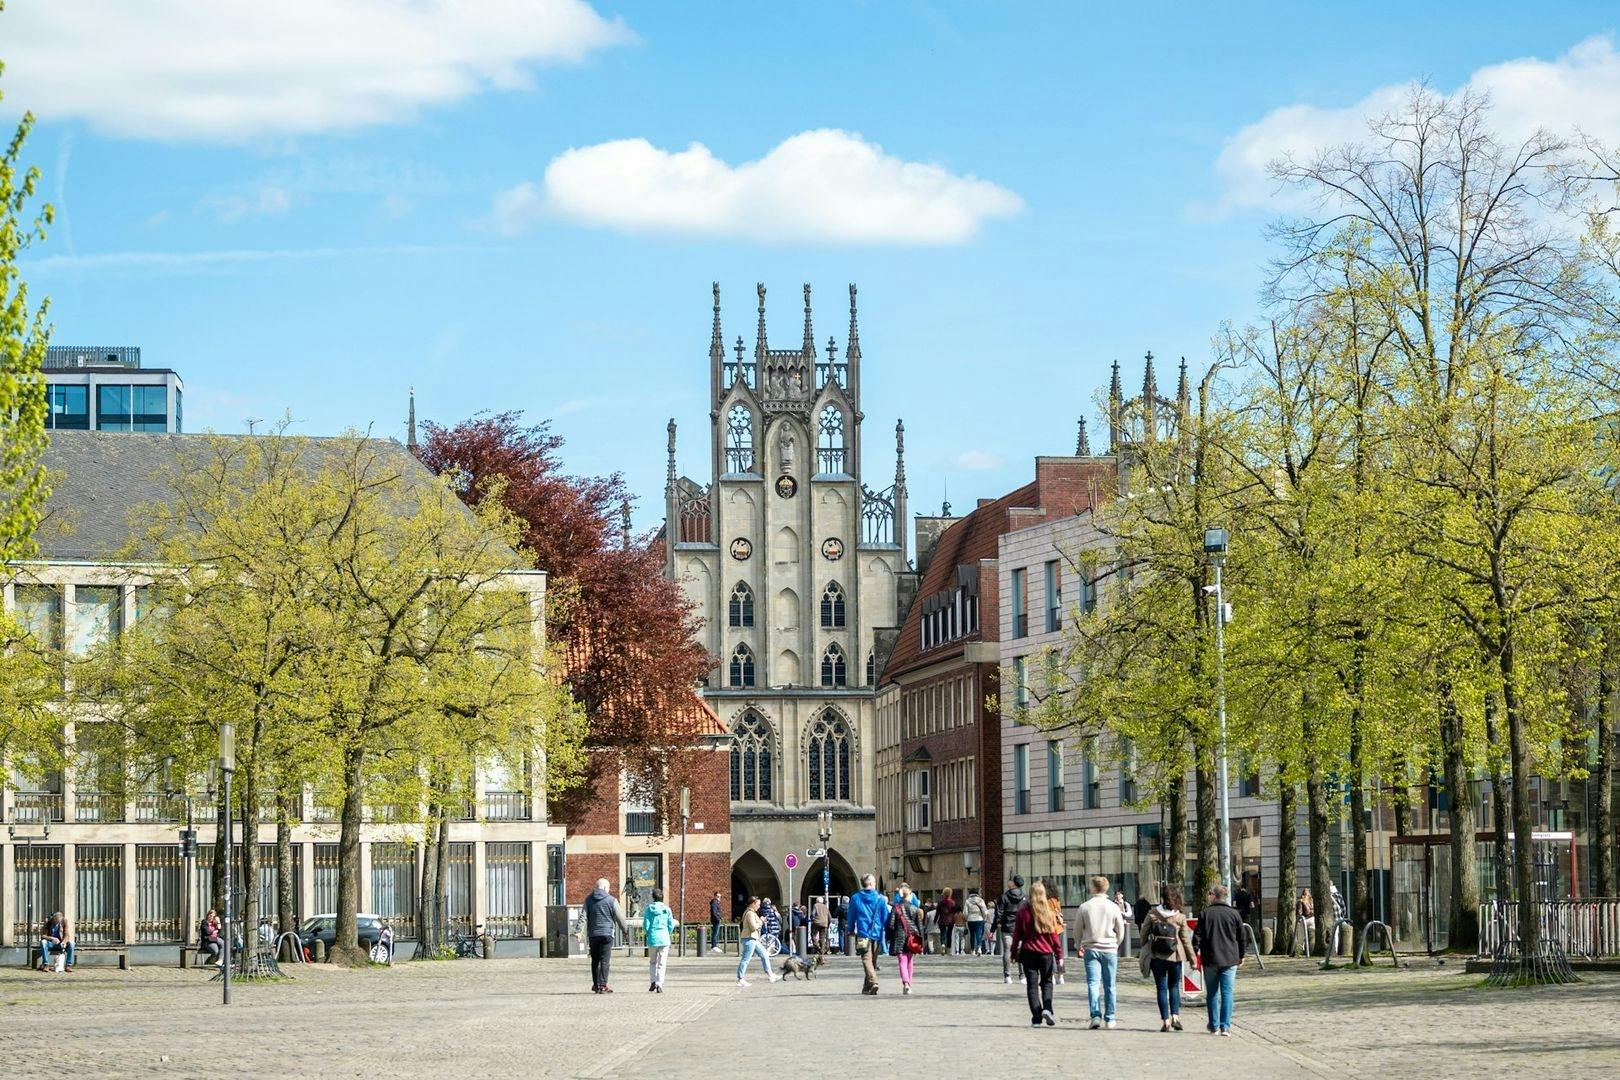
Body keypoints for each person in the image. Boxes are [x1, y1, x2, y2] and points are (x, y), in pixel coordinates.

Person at [1010, 880, 1064, 1027]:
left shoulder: (1023, 911)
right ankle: (1047, 1008)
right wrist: (1059, 955)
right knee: (1047, 983)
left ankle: (1036, 1018)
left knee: (1032, 986)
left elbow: (1017, 935)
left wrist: (1013, 953)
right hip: (1046, 953)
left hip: (1029, 953)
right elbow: (1054, 937)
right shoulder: (1049, 912)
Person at [1195, 884, 1246, 1036]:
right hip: (1230, 959)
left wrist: (1194, 953)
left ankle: (1214, 1025)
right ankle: (1225, 1026)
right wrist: (1241, 955)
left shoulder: (1205, 913)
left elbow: (1197, 936)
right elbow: (1241, 938)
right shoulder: (1234, 914)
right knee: (1227, 993)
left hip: (1210, 958)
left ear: (1214, 896)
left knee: (1212, 993)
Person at [1144, 884, 1195, 1032]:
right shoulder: (1180, 917)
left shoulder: (1153, 914)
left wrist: (1144, 946)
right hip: (1175, 956)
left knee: (1161, 987)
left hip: (1157, 955)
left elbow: (1143, 934)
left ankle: (1165, 1021)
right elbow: (1185, 940)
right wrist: (1193, 959)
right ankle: (1175, 1017)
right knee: (1173, 986)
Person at [1076, 874, 1125, 1029]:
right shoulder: (1113, 907)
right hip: (1110, 948)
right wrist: (1116, 943)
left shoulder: (1085, 906)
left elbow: (1077, 929)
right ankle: (1110, 1018)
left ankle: (1095, 1015)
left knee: (1093, 983)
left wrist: (1078, 945)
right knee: (1110, 985)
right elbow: (1120, 929)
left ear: (1094, 888)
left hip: (1091, 948)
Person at [584, 878, 631, 994]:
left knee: (595, 960)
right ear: (605, 888)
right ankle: (603, 985)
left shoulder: (588, 899)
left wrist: (578, 931)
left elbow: (583, 916)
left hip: (593, 934)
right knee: (605, 960)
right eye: (608, 888)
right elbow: (620, 918)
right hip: (607, 934)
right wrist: (625, 931)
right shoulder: (611, 900)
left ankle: (596, 985)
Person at [847, 874, 888, 994]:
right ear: (870, 883)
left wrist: (850, 929)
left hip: (863, 933)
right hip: (877, 933)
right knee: (872, 961)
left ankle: (873, 981)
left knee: (866, 960)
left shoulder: (856, 898)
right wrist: (886, 929)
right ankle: (867, 986)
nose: (875, 884)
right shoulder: (880, 898)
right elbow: (885, 916)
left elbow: (851, 916)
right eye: (874, 882)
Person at [886, 883, 924, 994]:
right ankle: (909, 984)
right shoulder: (915, 908)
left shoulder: (895, 908)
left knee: (902, 960)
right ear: (910, 895)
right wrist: (921, 942)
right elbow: (919, 925)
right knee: (910, 961)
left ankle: (906, 983)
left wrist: (889, 937)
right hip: (912, 936)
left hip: (899, 936)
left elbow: (891, 924)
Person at [736, 896, 779, 986]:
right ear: (753, 903)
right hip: (750, 938)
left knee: (765, 955)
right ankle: (740, 979)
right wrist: (761, 921)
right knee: (746, 959)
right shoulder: (750, 913)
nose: (759, 906)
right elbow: (753, 927)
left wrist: (760, 921)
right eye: (758, 904)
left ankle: (770, 975)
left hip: (754, 938)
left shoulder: (751, 913)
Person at [642, 888, 677, 993]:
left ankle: (652, 981)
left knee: (653, 962)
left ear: (653, 897)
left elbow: (646, 924)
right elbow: (671, 924)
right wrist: (668, 933)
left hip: (653, 938)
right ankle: (659, 984)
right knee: (662, 963)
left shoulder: (649, 909)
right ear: (662, 897)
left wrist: (647, 933)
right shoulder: (667, 909)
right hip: (664, 938)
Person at [994, 875, 1026, 984]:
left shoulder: (1004, 897)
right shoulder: (1024, 897)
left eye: (1010, 880)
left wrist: (995, 927)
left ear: (1013, 883)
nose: (1009, 882)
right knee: (1021, 951)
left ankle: (1007, 976)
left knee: (1007, 951)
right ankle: (1022, 976)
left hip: (1007, 927)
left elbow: (998, 913)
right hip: (1021, 927)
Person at [965, 889, 989, 954]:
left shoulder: (967, 901)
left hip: (970, 920)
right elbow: (985, 911)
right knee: (979, 934)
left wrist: (966, 918)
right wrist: (985, 918)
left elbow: (965, 912)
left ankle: (972, 950)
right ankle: (979, 948)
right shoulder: (981, 900)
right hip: (979, 919)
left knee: (972, 935)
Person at [935, 888, 958, 955]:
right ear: (950, 894)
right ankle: (948, 948)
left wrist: (935, 920)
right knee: (949, 934)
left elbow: (937, 912)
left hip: (942, 919)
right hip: (950, 920)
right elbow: (955, 912)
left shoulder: (940, 902)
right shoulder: (953, 902)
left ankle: (943, 944)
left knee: (943, 933)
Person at [1114, 890, 1133, 958]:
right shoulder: (1112, 903)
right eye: (1116, 894)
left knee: (1123, 938)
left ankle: (1124, 954)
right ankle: (1115, 953)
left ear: (1122, 895)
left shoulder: (1125, 904)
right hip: (1114, 924)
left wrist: (1123, 913)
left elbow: (1129, 913)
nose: (1117, 896)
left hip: (1123, 923)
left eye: (1119, 894)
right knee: (1115, 939)